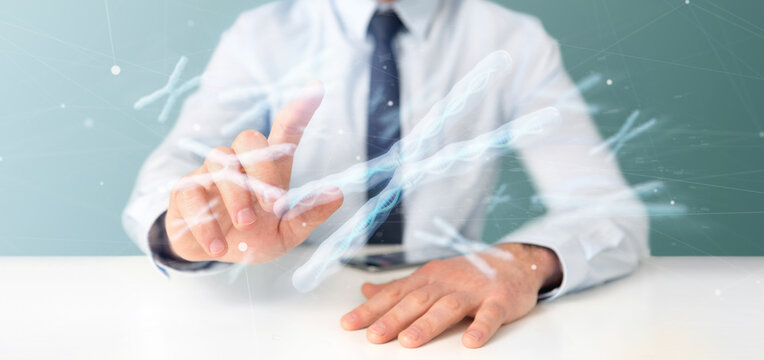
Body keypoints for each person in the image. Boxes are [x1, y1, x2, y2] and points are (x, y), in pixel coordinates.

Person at [123, 0, 648, 349]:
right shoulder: (263, 35)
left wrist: (522, 263)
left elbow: (608, 212)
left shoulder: (512, 39)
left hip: (448, 329)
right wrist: (191, 228)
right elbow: (172, 174)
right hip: (286, 323)